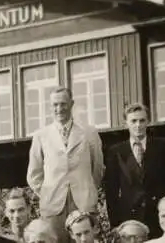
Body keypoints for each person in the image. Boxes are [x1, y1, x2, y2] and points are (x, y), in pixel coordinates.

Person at [27, 87, 104, 243]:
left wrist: (87, 188)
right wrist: (49, 192)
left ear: (71, 103)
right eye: (55, 105)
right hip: (53, 204)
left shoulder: (89, 133)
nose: (59, 109)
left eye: (63, 104)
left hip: (83, 202)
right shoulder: (41, 136)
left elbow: (98, 168)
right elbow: (34, 174)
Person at [104, 103, 165, 239]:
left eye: (142, 120)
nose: (138, 125)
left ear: (148, 122)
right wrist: (115, 223)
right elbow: (111, 191)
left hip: (159, 216)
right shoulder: (116, 152)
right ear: (126, 123)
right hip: (130, 218)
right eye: (133, 121)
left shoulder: (162, 146)